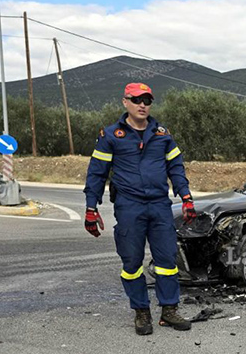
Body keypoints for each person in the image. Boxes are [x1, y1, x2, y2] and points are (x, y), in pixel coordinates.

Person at [83, 82, 198, 335]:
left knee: (167, 260)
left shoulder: (162, 134)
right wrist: (91, 208)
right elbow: (96, 174)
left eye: (147, 100)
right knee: (132, 262)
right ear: (125, 102)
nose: (142, 105)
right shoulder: (111, 135)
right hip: (129, 206)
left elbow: (176, 168)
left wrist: (187, 197)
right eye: (136, 100)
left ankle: (169, 311)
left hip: (159, 205)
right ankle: (141, 312)